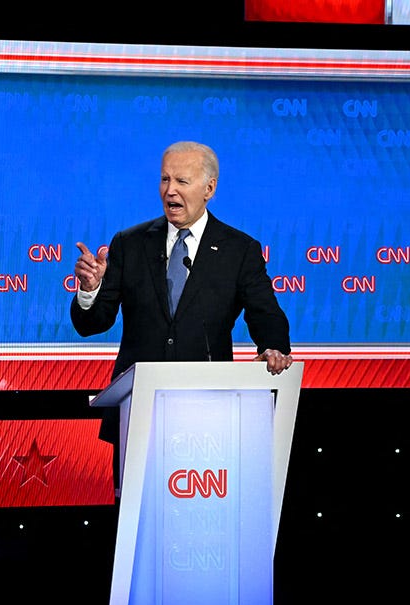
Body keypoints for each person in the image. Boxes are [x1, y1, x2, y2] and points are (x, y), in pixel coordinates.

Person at [70, 141, 294, 478]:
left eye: (181, 182)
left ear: (209, 188)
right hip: (139, 413)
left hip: (210, 415)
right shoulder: (129, 244)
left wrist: (273, 347)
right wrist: (90, 291)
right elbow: (93, 323)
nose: (169, 190)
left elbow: (266, 313)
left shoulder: (239, 250)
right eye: (164, 180)